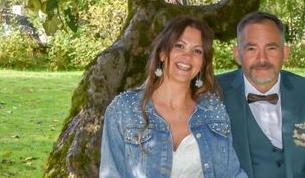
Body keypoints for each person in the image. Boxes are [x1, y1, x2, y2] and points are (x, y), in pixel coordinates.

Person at [100, 16, 247, 178]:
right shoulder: (124, 109)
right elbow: (111, 173)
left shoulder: (212, 109)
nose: (187, 56)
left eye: (197, 51)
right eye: (180, 46)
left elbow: (231, 173)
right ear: (163, 53)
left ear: (203, 62)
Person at [217, 11, 305, 178]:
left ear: (285, 53)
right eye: (252, 48)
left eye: (271, 48)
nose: (262, 59)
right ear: (237, 54)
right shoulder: (214, 92)